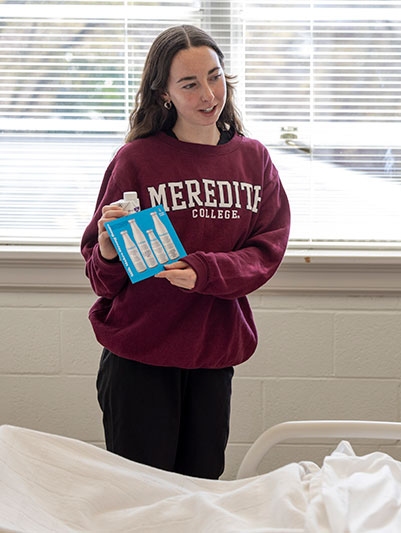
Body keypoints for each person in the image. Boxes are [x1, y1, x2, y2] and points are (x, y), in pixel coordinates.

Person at [80, 25, 290, 480]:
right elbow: (101, 279)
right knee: (141, 499)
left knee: (200, 495)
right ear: (164, 93)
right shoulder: (136, 160)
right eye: (189, 84)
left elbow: (267, 251)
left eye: (214, 77)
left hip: (213, 355)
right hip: (138, 357)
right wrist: (109, 248)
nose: (207, 94)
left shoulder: (252, 160)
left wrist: (205, 272)